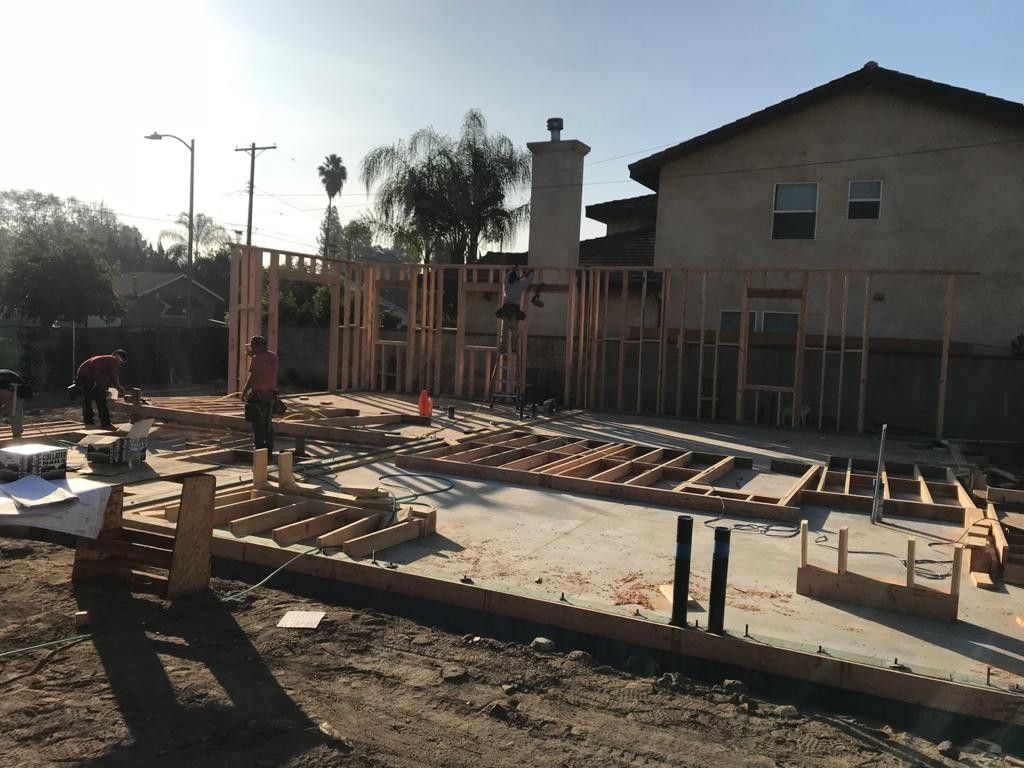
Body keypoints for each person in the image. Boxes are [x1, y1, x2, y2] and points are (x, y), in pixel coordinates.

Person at [240, 335, 279, 456]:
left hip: (258, 396)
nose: (252, 348)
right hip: (270, 396)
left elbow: (253, 376)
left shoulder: (257, 359)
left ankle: (259, 452)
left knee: (257, 424)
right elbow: (264, 363)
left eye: (253, 346)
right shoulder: (272, 356)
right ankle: (269, 452)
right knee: (268, 424)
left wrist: (244, 390)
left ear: (258, 346)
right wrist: (253, 355)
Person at [76, 349, 127, 430]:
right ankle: (106, 424)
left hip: (81, 376)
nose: (119, 365)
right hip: (89, 377)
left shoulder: (105, 359)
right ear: (120, 358)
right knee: (101, 401)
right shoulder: (113, 360)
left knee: (87, 401)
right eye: (121, 362)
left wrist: (107, 386)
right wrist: (118, 388)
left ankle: (88, 422)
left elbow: (107, 375)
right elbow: (113, 375)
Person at [0, 369, 26, 438]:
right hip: (13, 387)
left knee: (15, 412)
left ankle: (17, 435)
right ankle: (17, 434)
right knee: (15, 413)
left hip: (14, 387)